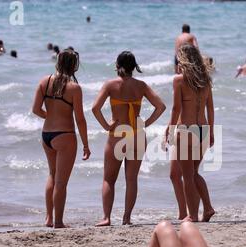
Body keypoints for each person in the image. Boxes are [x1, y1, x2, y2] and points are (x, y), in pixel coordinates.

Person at [92, 51, 166, 226]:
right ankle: (126, 218)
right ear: (134, 67)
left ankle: (107, 218)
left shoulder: (110, 85)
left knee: (109, 179)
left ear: (117, 65)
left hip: (118, 134)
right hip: (137, 134)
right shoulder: (141, 86)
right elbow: (161, 106)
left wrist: (105, 125)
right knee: (131, 179)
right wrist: (145, 123)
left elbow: (95, 108)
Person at [32, 49, 90, 228]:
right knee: (61, 183)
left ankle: (49, 218)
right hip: (65, 136)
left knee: (52, 175)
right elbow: (80, 119)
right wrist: (86, 145)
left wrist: (49, 117)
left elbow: (35, 109)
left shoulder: (44, 81)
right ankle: (58, 222)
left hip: (46, 135)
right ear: (74, 66)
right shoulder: (74, 88)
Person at [165, 44, 215, 223]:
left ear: (183, 58)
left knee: (188, 175)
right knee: (193, 173)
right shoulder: (206, 79)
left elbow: (176, 108)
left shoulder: (179, 80)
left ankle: (192, 215)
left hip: (186, 130)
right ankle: (207, 207)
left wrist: (170, 130)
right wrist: (211, 132)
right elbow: (210, 108)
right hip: (202, 130)